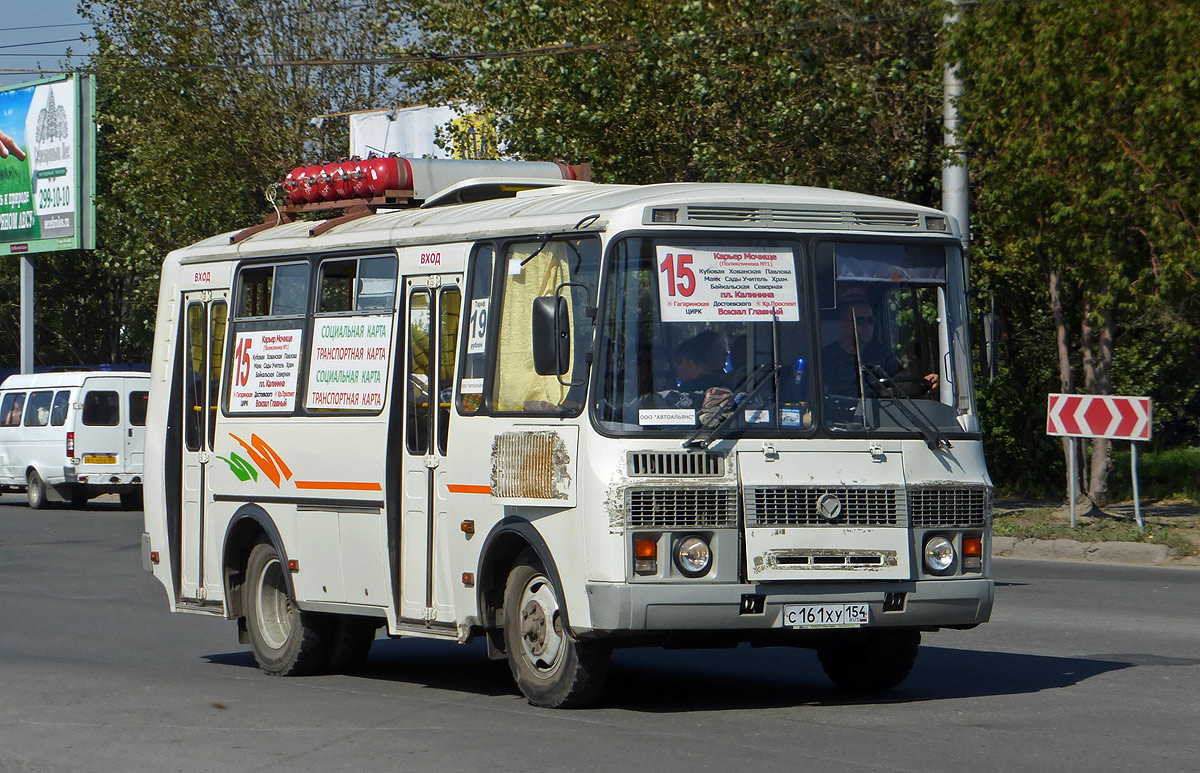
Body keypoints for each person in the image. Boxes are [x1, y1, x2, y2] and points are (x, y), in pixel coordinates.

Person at [823, 299, 938, 398]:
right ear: (843, 325)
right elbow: (821, 396)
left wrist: (923, 384)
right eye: (860, 321)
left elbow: (901, 385)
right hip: (840, 422)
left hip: (880, 420)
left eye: (870, 320)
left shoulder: (881, 353)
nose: (867, 325)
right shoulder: (827, 357)